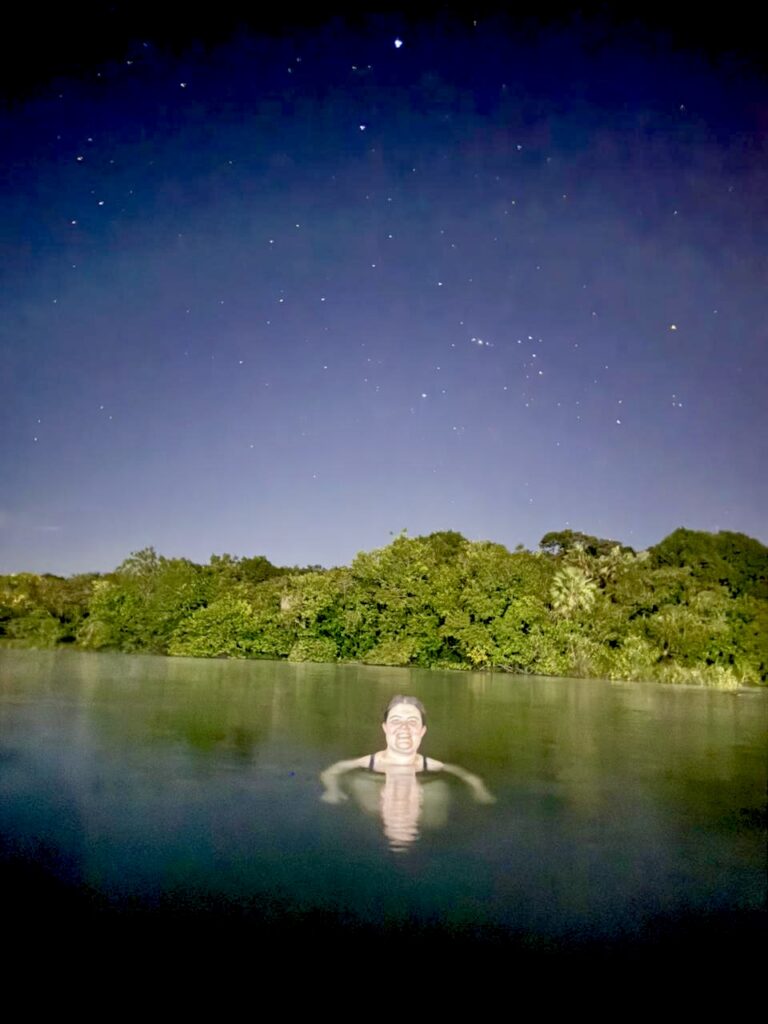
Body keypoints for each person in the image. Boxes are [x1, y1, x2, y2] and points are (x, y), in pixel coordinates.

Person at [319, 694, 495, 806]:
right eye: (396, 721)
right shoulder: (369, 762)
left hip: (423, 804)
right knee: (360, 782)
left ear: (422, 731)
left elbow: (464, 774)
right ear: (385, 728)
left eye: (412, 722)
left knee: (438, 789)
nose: (404, 728)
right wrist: (332, 790)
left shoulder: (430, 765)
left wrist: (480, 791)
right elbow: (333, 770)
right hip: (374, 799)